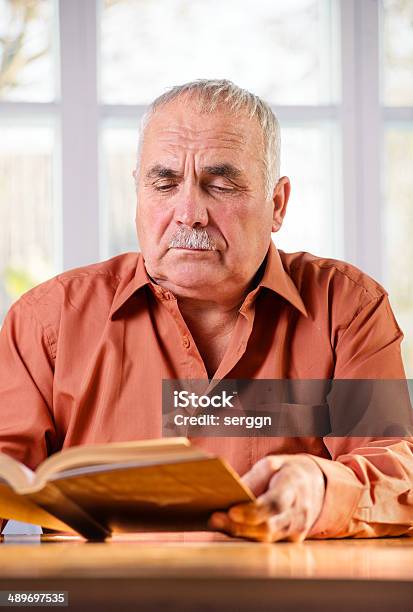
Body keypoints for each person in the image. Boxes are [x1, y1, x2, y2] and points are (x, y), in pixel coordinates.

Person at [0, 79, 412, 542]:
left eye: (220, 184)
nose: (189, 212)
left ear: (276, 205)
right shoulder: (47, 319)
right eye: (164, 182)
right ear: (138, 193)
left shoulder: (346, 307)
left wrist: (319, 490)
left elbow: (398, 472)